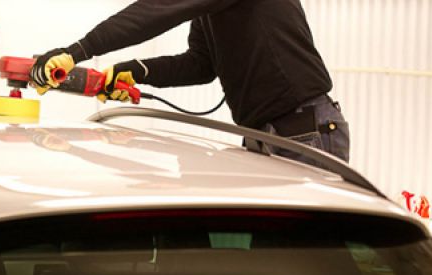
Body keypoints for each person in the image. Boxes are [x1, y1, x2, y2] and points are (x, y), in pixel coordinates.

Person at [29, 0, 350, 165]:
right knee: (276, 257)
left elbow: (158, 10)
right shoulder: (210, 11)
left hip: (302, 130)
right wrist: (138, 70)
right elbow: (201, 64)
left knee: (306, 256)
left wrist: (77, 51)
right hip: (267, 133)